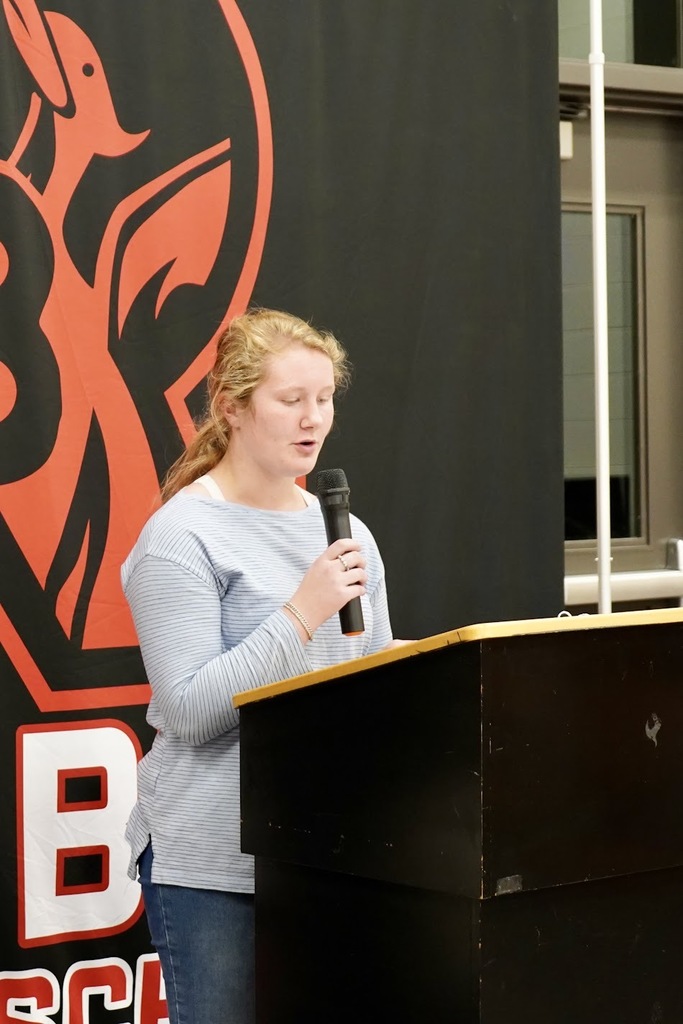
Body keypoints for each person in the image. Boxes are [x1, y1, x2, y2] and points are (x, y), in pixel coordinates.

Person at [121, 307, 395, 1024]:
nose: (313, 419)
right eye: (290, 400)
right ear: (232, 407)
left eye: (324, 398)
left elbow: (377, 675)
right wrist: (299, 614)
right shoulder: (179, 537)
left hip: (327, 856)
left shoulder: (346, 530)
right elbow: (187, 710)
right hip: (214, 865)